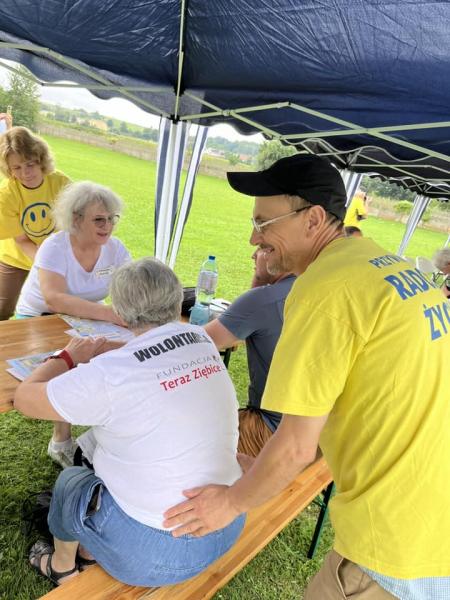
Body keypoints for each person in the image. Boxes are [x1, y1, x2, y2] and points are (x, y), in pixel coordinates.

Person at [164, 154, 450, 600]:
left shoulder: (325, 289)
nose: (252, 238)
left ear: (314, 219)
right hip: (433, 518)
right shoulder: (383, 264)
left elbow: (297, 446)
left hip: (394, 543)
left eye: (264, 223)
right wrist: (259, 469)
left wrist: (230, 502)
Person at [14, 257, 245, 588]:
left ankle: (61, 567)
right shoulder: (200, 338)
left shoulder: (111, 375)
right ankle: (93, 549)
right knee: (107, 447)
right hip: (226, 526)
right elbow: (155, 350)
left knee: (71, 481)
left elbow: (26, 398)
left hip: (156, 557)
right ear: (177, 300)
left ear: (119, 314)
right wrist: (110, 347)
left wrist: (66, 357)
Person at [16, 180, 131, 468]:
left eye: (111, 219)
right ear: (76, 219)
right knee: (69, 361)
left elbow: (131, 287)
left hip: (87, 320)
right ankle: (61, 442)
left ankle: (106, 435)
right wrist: (109, 314)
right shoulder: (54, 247)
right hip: (39, 319)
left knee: (119, 354)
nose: (107, 226)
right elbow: (54, 299)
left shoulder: (116, 249)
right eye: (99, 219)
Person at [205, 248, 295, 456]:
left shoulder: (265, 299)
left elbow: (195, 344)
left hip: (272, 429)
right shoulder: (307, 287)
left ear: (280, 254)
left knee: (183, 440)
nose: (253, 255)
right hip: (318, 427)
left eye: (262, 248)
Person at [0, 126, 70, 320]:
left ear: (41, 160)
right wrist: (45, 264)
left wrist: (57, 263)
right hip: (15, 259)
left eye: (29, 164)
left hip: (53, 256)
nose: (25, 173)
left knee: (55, 307)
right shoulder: (6, 194)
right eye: (17, 168)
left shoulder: (61, 182)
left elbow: (73, 224)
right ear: (9, 168)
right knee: (3, 308)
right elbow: (21, 240)